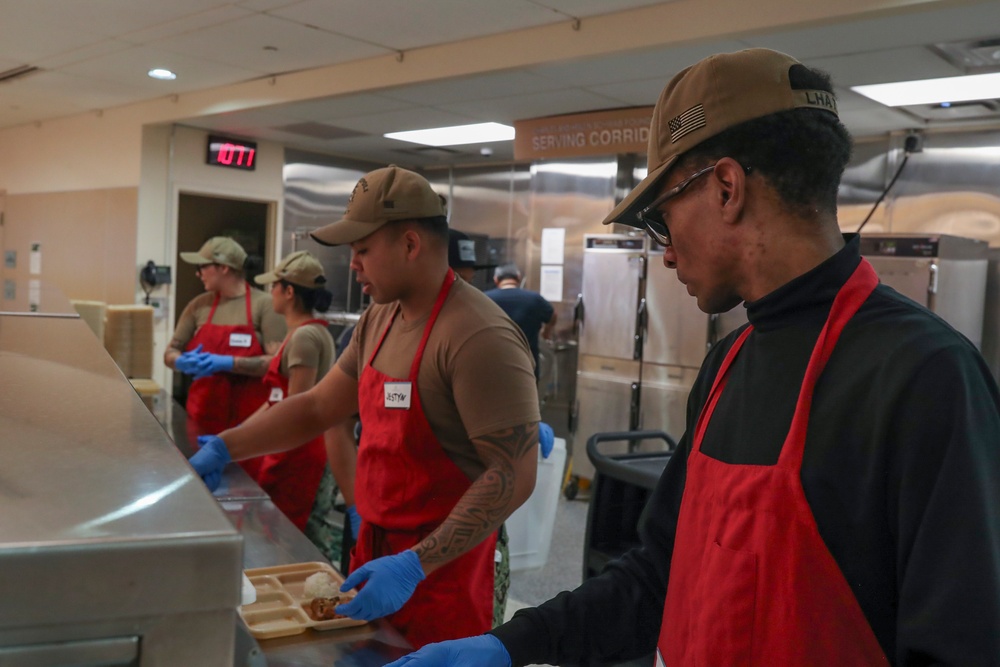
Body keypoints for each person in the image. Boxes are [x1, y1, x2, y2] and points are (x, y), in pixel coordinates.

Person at [382, 48, 1000, 666]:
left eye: (662, 218)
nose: (667, 254)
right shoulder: (729, 363)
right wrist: (510, 645)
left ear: (726, 189)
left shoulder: (925, 377)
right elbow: (657, 576)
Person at [188, 164, 542, 649]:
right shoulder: (380, 318)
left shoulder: (478, 335)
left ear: (410, 245)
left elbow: (513, 475)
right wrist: (226, 448)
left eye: (362, 251)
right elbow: (316, 409)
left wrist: (416, 564)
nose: (353, 266)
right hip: (372, 555)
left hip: (439, 576)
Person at [246, 250, 359, 560]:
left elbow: (295, 409)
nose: (270, 294)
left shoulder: (305, 337)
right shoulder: (305, 332)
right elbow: (277, 402)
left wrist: (241, 440)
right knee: (292, 537)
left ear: (289, 291)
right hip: (294, 450)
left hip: (301, 456)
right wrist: (237, 435)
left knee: (305, 539)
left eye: (274, 287)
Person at [166, 236, 284, 478]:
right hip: (202, 420)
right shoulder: (198, 306)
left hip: (248, 423)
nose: (198, 274)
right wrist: (179, 361)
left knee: (245, 493)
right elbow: (170, 352)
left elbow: (277, 364)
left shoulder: (265, 306)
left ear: (224, 268)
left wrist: (228, 363)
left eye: (202, 267)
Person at [484, 263, 556, 380]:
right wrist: (546, 332)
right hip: (527, 366)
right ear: (518, 277)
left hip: (494, 364)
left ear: (496, 279)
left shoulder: (485, 298)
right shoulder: (534, 299)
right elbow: (552, 315)